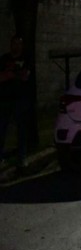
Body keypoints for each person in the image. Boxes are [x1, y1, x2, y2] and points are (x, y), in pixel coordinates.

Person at [0, 35, 31, 171]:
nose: (16, 46)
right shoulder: (4, 59)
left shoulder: (26, 59)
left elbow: (25, 76)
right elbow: (1, 77)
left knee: (21, 131)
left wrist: (11, 74)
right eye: (14, 43)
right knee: (2, 130)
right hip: (5, 99)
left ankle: (21, 158)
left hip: (20, 99)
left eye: (19, 43)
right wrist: (14, 74)